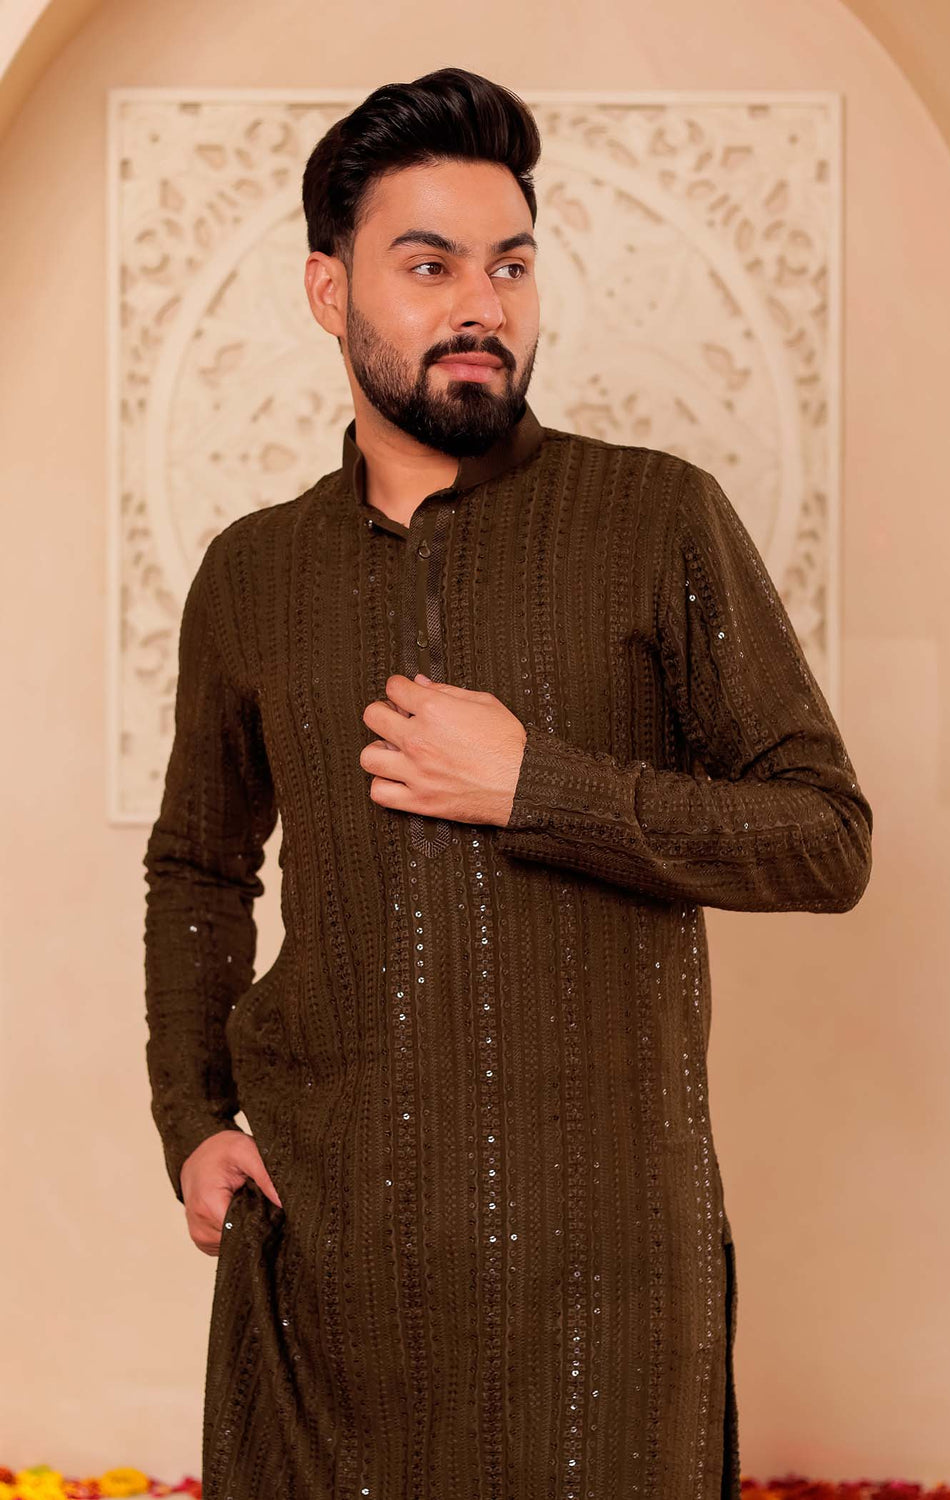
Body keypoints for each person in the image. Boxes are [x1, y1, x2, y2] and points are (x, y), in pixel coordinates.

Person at [142, 64, 873, 1500]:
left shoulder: (656, 517)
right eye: (430, 266)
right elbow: (198, 867)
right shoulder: (253, 574)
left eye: (511, 265)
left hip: (606, 1291)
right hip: (329, 1277)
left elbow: (824, 837)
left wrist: (543, 787)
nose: (483, 304)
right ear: (328, 290)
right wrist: (194, 1115)